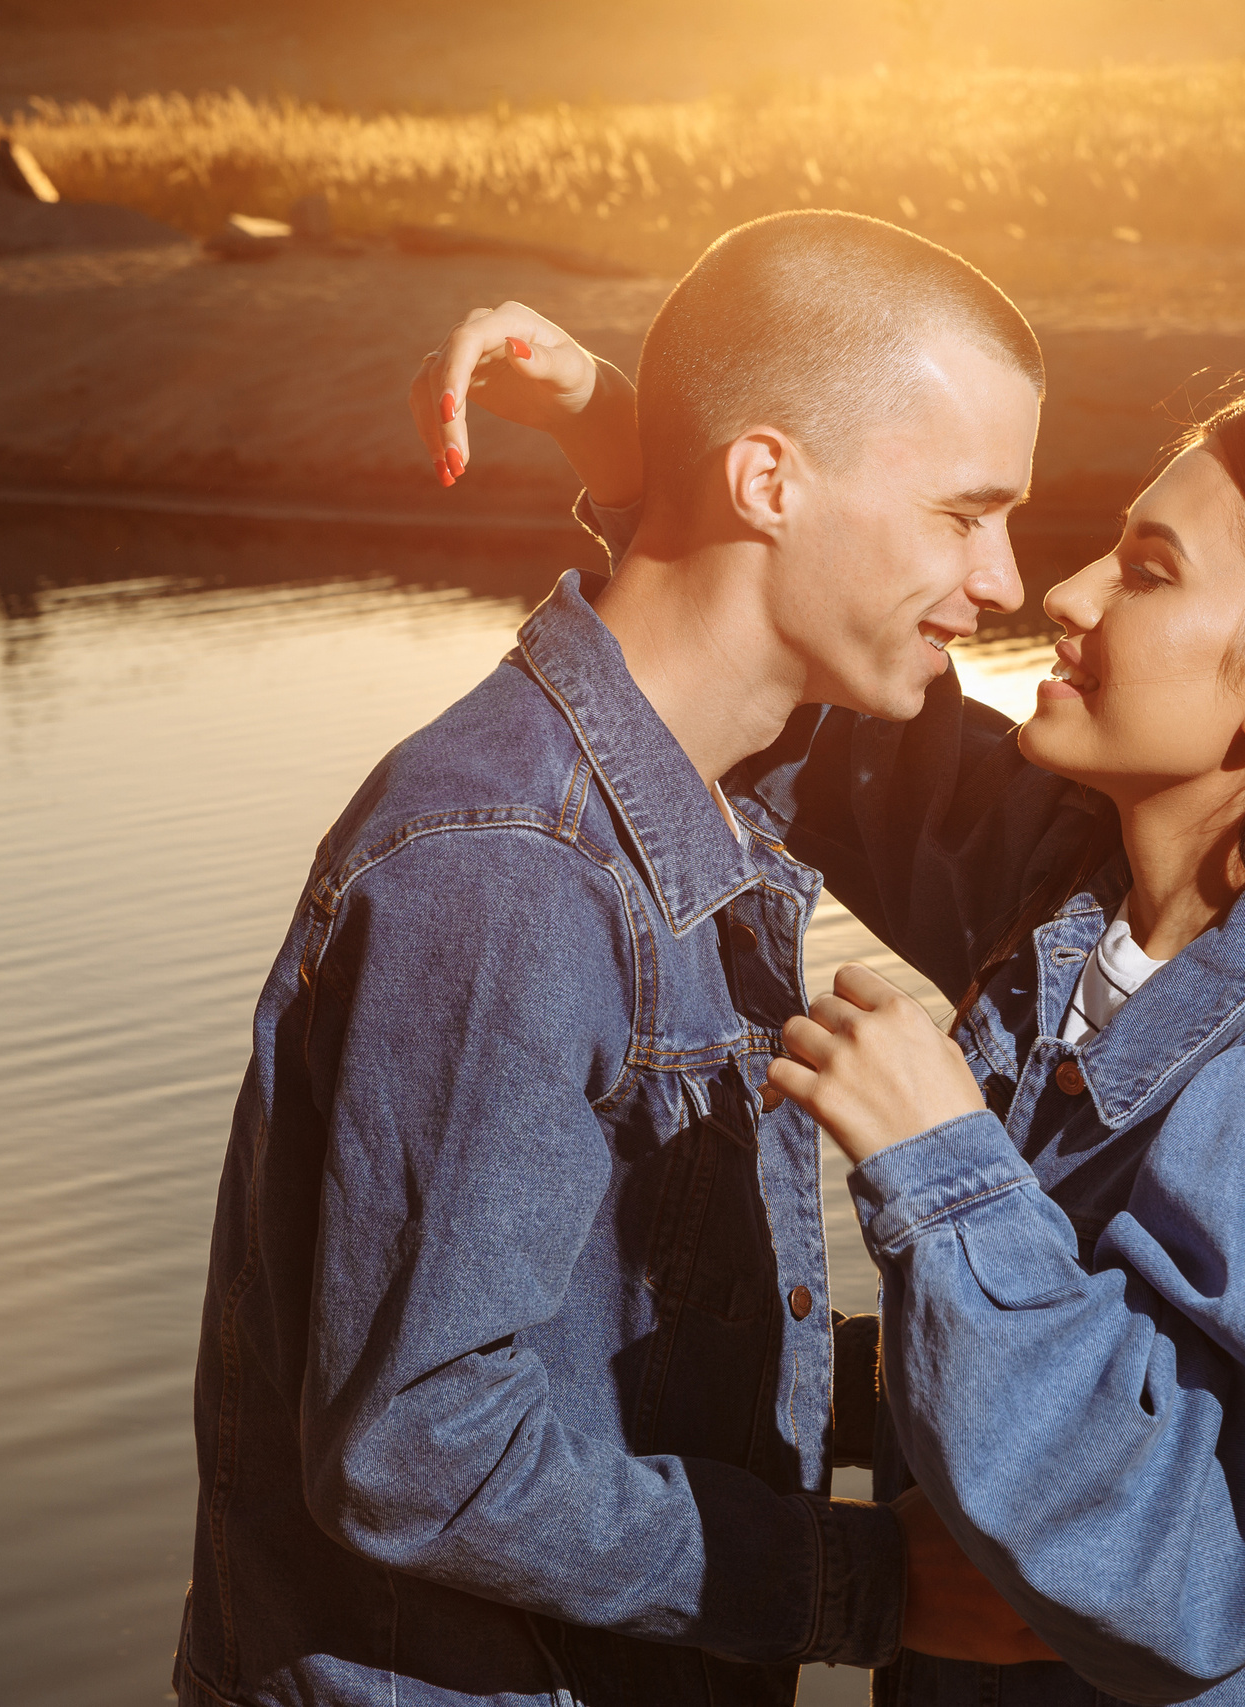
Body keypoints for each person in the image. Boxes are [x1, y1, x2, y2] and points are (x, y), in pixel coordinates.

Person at [489, 332, 1245, 1701]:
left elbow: (1188, 1563)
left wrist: (939, 1162)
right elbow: (838, 708)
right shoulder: (1082, 890)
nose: (1063, 589)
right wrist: (644, 466)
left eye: (1148, 573)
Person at [177, 210, 1060, 1707]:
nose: (1008, 578)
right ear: (771, 480)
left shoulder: (705, 788)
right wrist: (865, 1584)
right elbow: (418, 1446)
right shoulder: (507, 868)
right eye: (965, 514)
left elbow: (629, 1354)